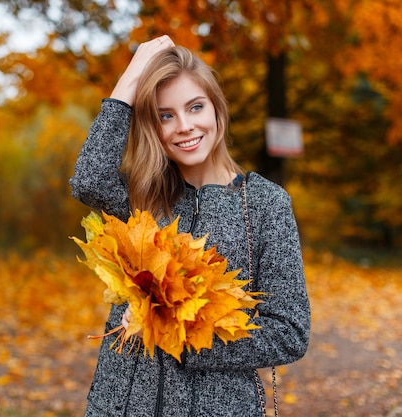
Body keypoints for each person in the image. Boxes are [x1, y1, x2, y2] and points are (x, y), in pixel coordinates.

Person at [70, 35, 311, 417]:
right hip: (124, 402)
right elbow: (88, 180)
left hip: (220, 407)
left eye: (195, 107)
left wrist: (175, 332)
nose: (184, 126)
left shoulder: (265, 203)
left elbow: (289, 333)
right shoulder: (141, 195)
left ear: (216, 109)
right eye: (165, 115)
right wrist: (132, 78)